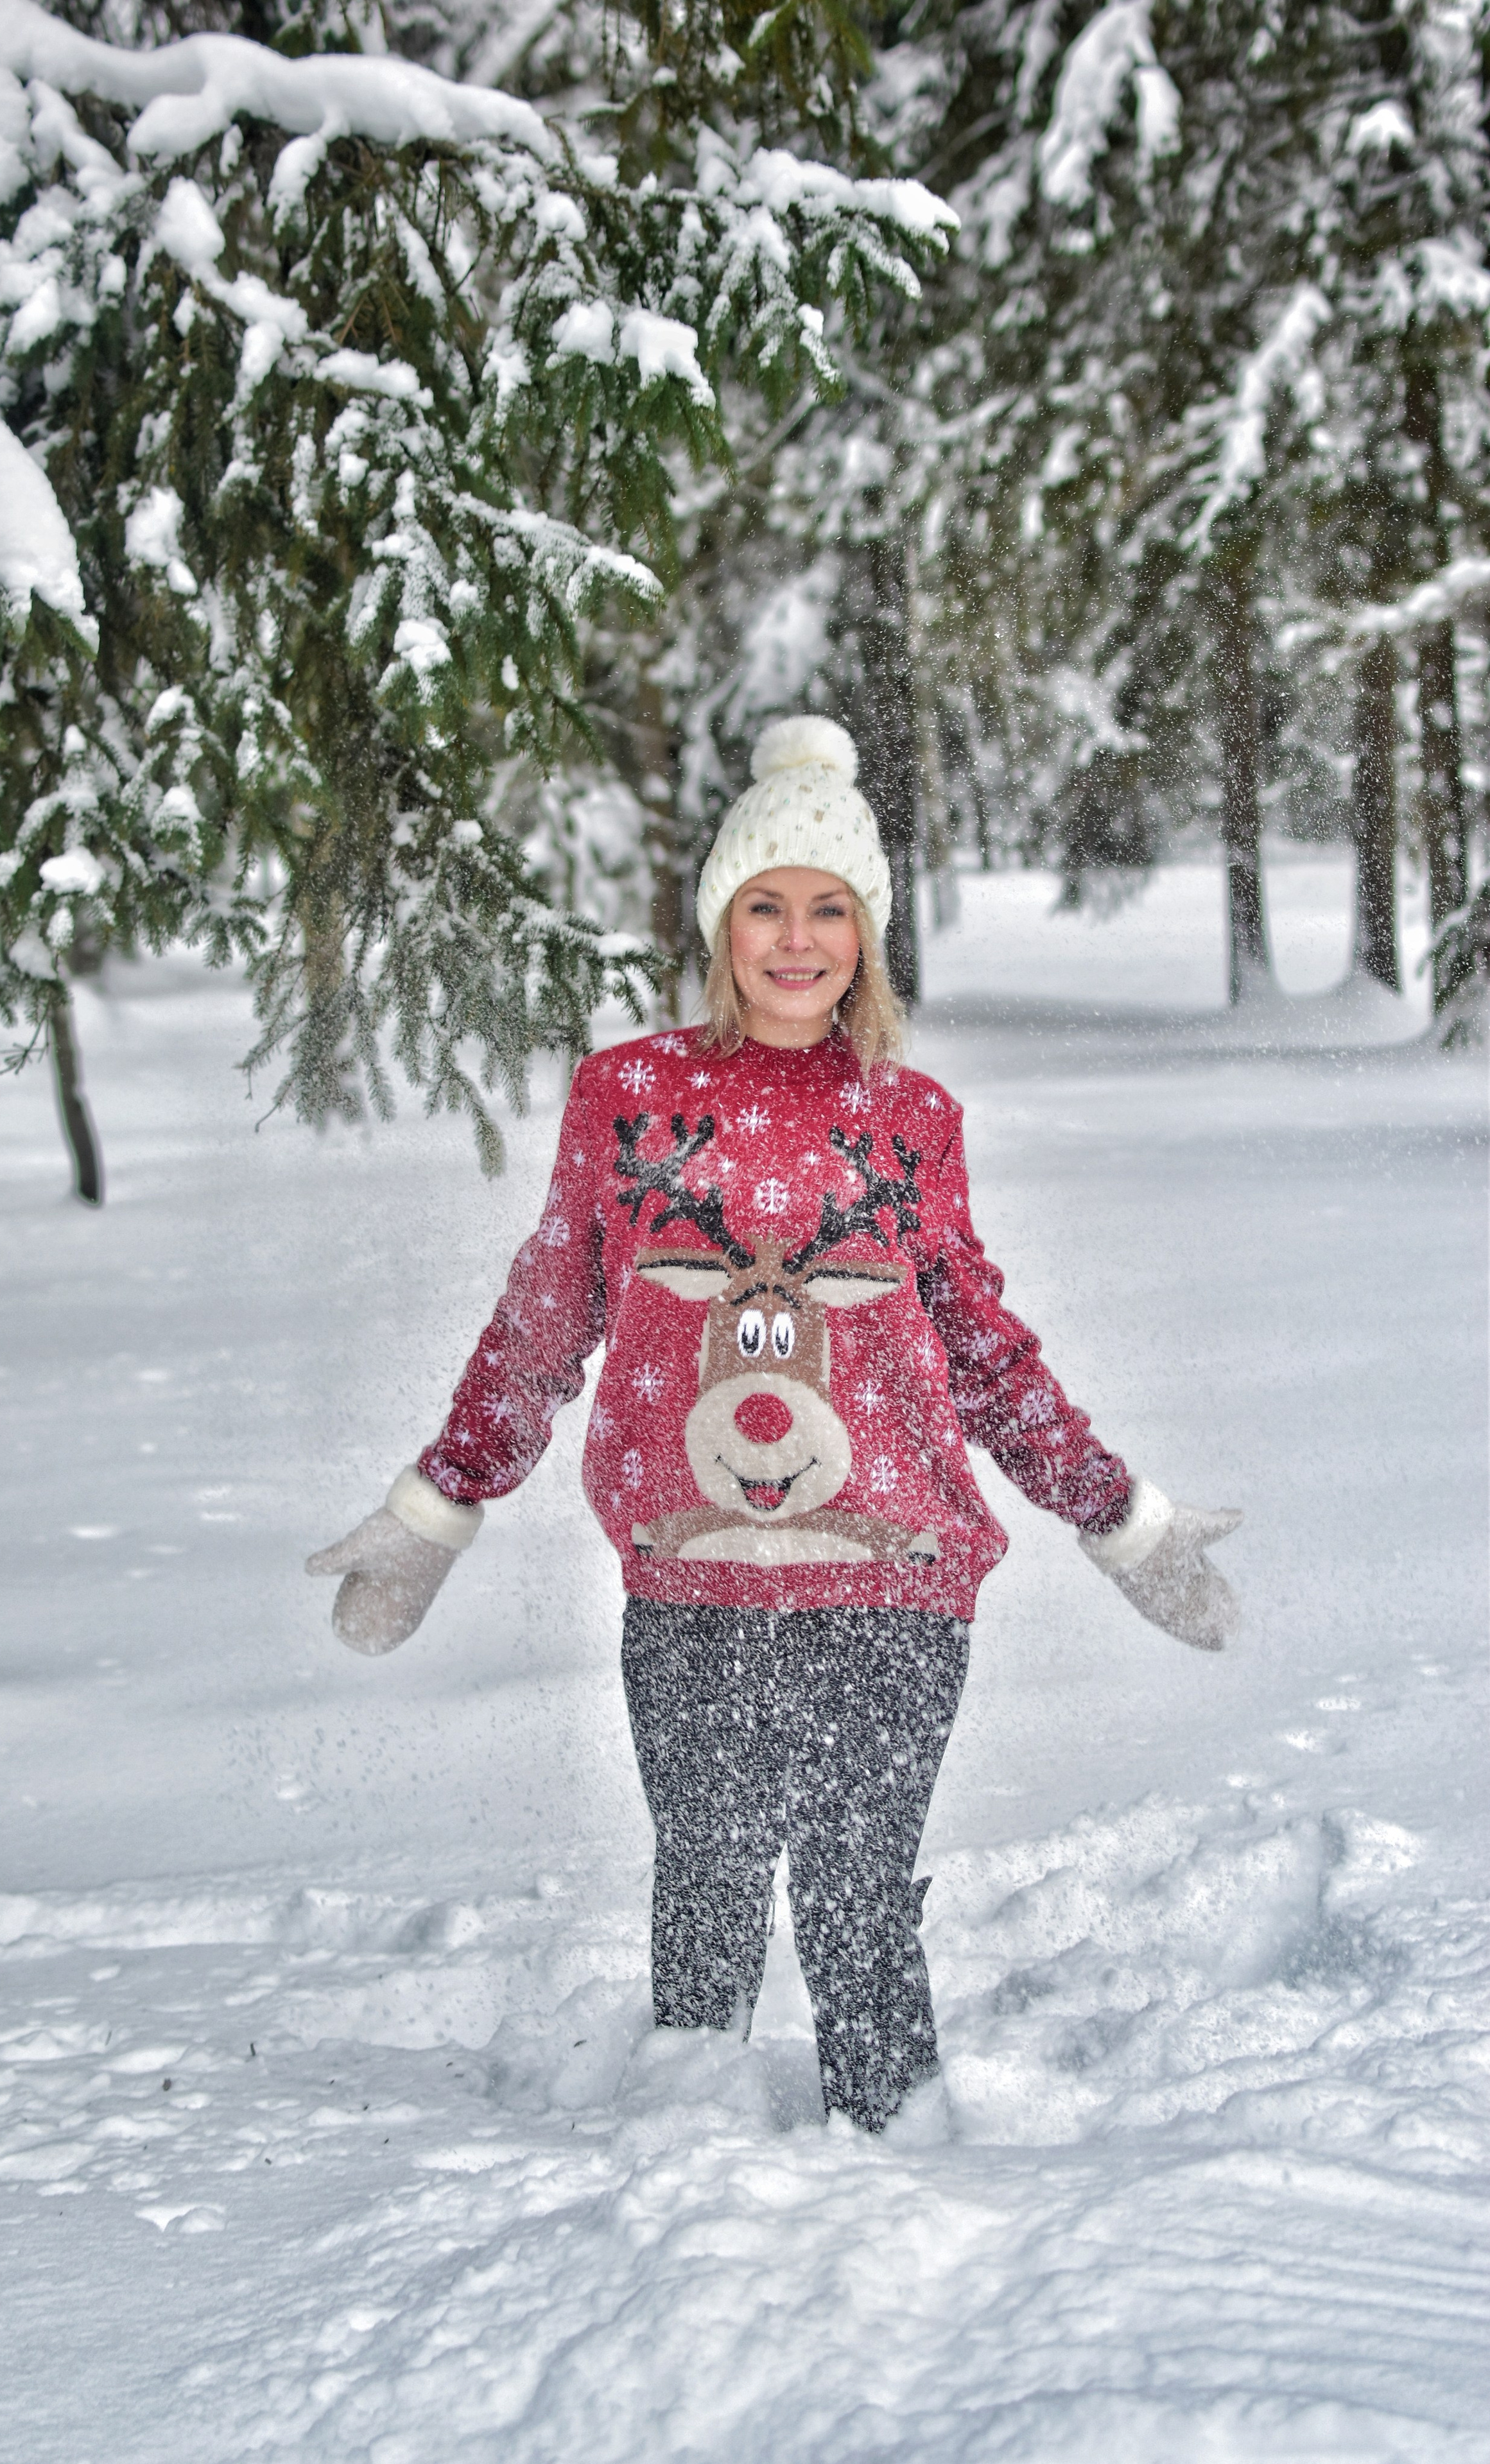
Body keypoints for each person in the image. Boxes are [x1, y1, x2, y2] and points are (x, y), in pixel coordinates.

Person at [307, 716, 1241, 2132]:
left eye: (828, 909)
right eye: (764, 906)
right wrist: (441, 1503)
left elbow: (977, 1345)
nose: (796, 942)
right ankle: (690, 2166)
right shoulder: (627, 1099)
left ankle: (899, 2161)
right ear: (718, 923)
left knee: (858, 1898)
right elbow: (548, 1317)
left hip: (892, 1580)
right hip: (691, 1578)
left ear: (867, 934)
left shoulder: (909, 1117)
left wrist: (1117, 1515)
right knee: (706, 1883)